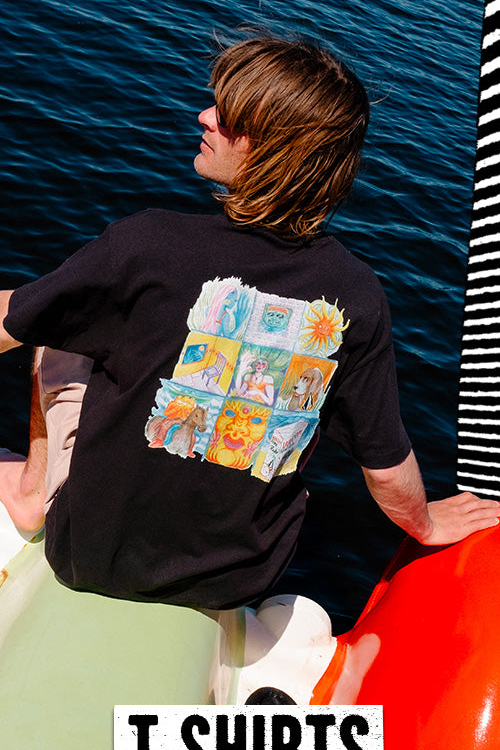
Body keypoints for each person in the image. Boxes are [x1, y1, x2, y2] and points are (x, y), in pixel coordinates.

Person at [0, 32, 497, 612]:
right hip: (238, 578)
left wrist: (34, 312)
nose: (204, 116)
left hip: (88, 554)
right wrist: (425, 524)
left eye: (229, 117)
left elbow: (13, 320)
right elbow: (385, 466)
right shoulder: (358, 295)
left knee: (56, 328)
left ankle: (31, 495)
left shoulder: (148, 243)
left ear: (274, 152)